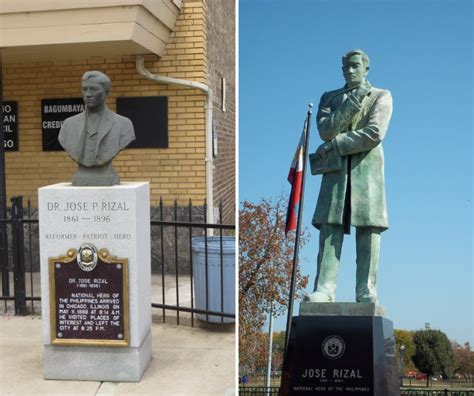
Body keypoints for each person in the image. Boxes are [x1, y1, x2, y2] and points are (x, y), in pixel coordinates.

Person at [307, 49, 393, 303]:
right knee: (330, 228)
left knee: (368, 229)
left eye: (356, 66)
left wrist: (336, 144)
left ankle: (366, 289)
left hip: (367, 173)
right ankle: (324, 288)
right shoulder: (329, 98)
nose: (351, 70)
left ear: (367, 69)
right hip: (335, 174)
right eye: (346, 67)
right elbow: (325, 130)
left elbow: (374, 133)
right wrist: (352, 101)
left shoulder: (381, 95)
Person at [58, 71, 135, 186]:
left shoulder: (123, 124)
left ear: (106, 92)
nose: (88, 94)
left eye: (94, 89)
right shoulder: (68, 125)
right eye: (84, 89)